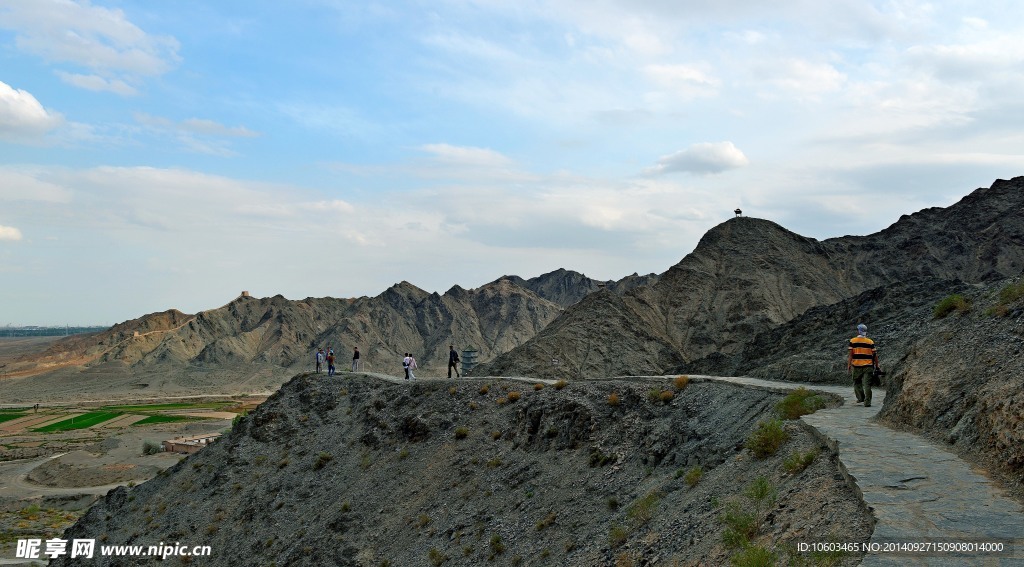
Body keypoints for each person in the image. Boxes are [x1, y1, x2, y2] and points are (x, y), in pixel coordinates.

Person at [847, 323, 880, 407]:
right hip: (868, 366)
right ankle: (867, 403)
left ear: (858, 331)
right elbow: (875, 355)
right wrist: (877, 365)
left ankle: (861, 397)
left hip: (856, 365)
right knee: (867, 385)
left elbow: (851, 354)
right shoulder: (870, 342)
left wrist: (849, 364)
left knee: (856, 382)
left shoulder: (852, 341)